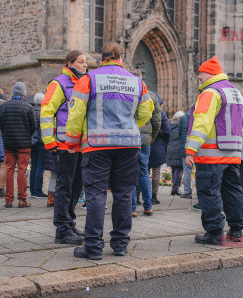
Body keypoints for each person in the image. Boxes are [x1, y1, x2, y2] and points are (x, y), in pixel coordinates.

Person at [66, 42, 154, 259]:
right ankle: (121, 244)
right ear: (121, 59)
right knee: (123, 195)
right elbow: (145, 114)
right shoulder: (137, 82)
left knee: (96, 195)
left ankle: (94, 248)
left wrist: (71, 141)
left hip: (97, 145)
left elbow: (76, 115)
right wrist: (128, 122)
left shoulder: (88, 79)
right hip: (128, 145)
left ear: (102, 58)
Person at [185, 56, 243, 245]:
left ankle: (214, 232)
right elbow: (242, 125)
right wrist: (238, 148)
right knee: (232, 191)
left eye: (200, 73)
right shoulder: (236, 93)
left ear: (210, 73)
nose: (199, 77)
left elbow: (202, 122)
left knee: (209, 192)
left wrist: (190, 149)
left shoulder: (210, 93)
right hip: (232, 154)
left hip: (211, 155)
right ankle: (236, 230)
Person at [41, 50, 87, 244]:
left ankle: (70, 223)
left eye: (86, 62)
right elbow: (46, 112)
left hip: (80, 145)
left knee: (76, 186)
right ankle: (62, 230)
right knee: (64, 187)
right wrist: (50, 142)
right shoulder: (58, 83)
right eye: (81, 62)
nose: (85, 65)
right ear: (70, 63)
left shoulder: (83, 83)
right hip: (63, 144)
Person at [0, 83, 35, 208]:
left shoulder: (4, 106)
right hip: (24, 144)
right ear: (24, 93)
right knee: (22, 170)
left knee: (9, 170)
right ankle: (22, 199)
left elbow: (1, 125)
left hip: (8, 143)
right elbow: (33, 128)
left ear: (13, 92)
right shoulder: (28, 107)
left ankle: (8, 200)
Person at [131, 90, 161, 216]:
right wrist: (150, 138)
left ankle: (132, 209)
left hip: (129, 137)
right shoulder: (151, 96)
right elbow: (157, 121)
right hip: (145, 139)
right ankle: (148, 207)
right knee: (144, 171)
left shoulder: (126, 91)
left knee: (129, 173)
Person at [149, 91, 171, 202]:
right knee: (156, 171)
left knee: (143, 171)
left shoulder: (142, 110)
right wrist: (164, 142)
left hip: (144, 145)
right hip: (158, 146)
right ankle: (153, 196)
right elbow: (167, 131)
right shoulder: (161, 114)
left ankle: (139, 197)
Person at [30, 93, 47, 198]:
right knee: (40, 166)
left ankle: (32, 190)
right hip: (41, 142)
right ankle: (38, 191)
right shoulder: (43, 111)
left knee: (34, 166)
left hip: (32, 142)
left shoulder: (31, 111)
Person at [166, 111, 185, 197]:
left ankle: (174, 187)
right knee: (179, 169)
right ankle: (175, 188)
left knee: (174, 169)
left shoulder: (169, 124)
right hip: (178, 148)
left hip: (170, 148)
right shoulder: (181, 125)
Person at [178, 109, 194, 200]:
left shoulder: (183, 118)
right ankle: (200, 192)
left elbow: (179, 132)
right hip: (199, 146)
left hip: (186, 146)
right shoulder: (198, 116)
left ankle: (187, 191)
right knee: (199, 170)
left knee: (187, 170)